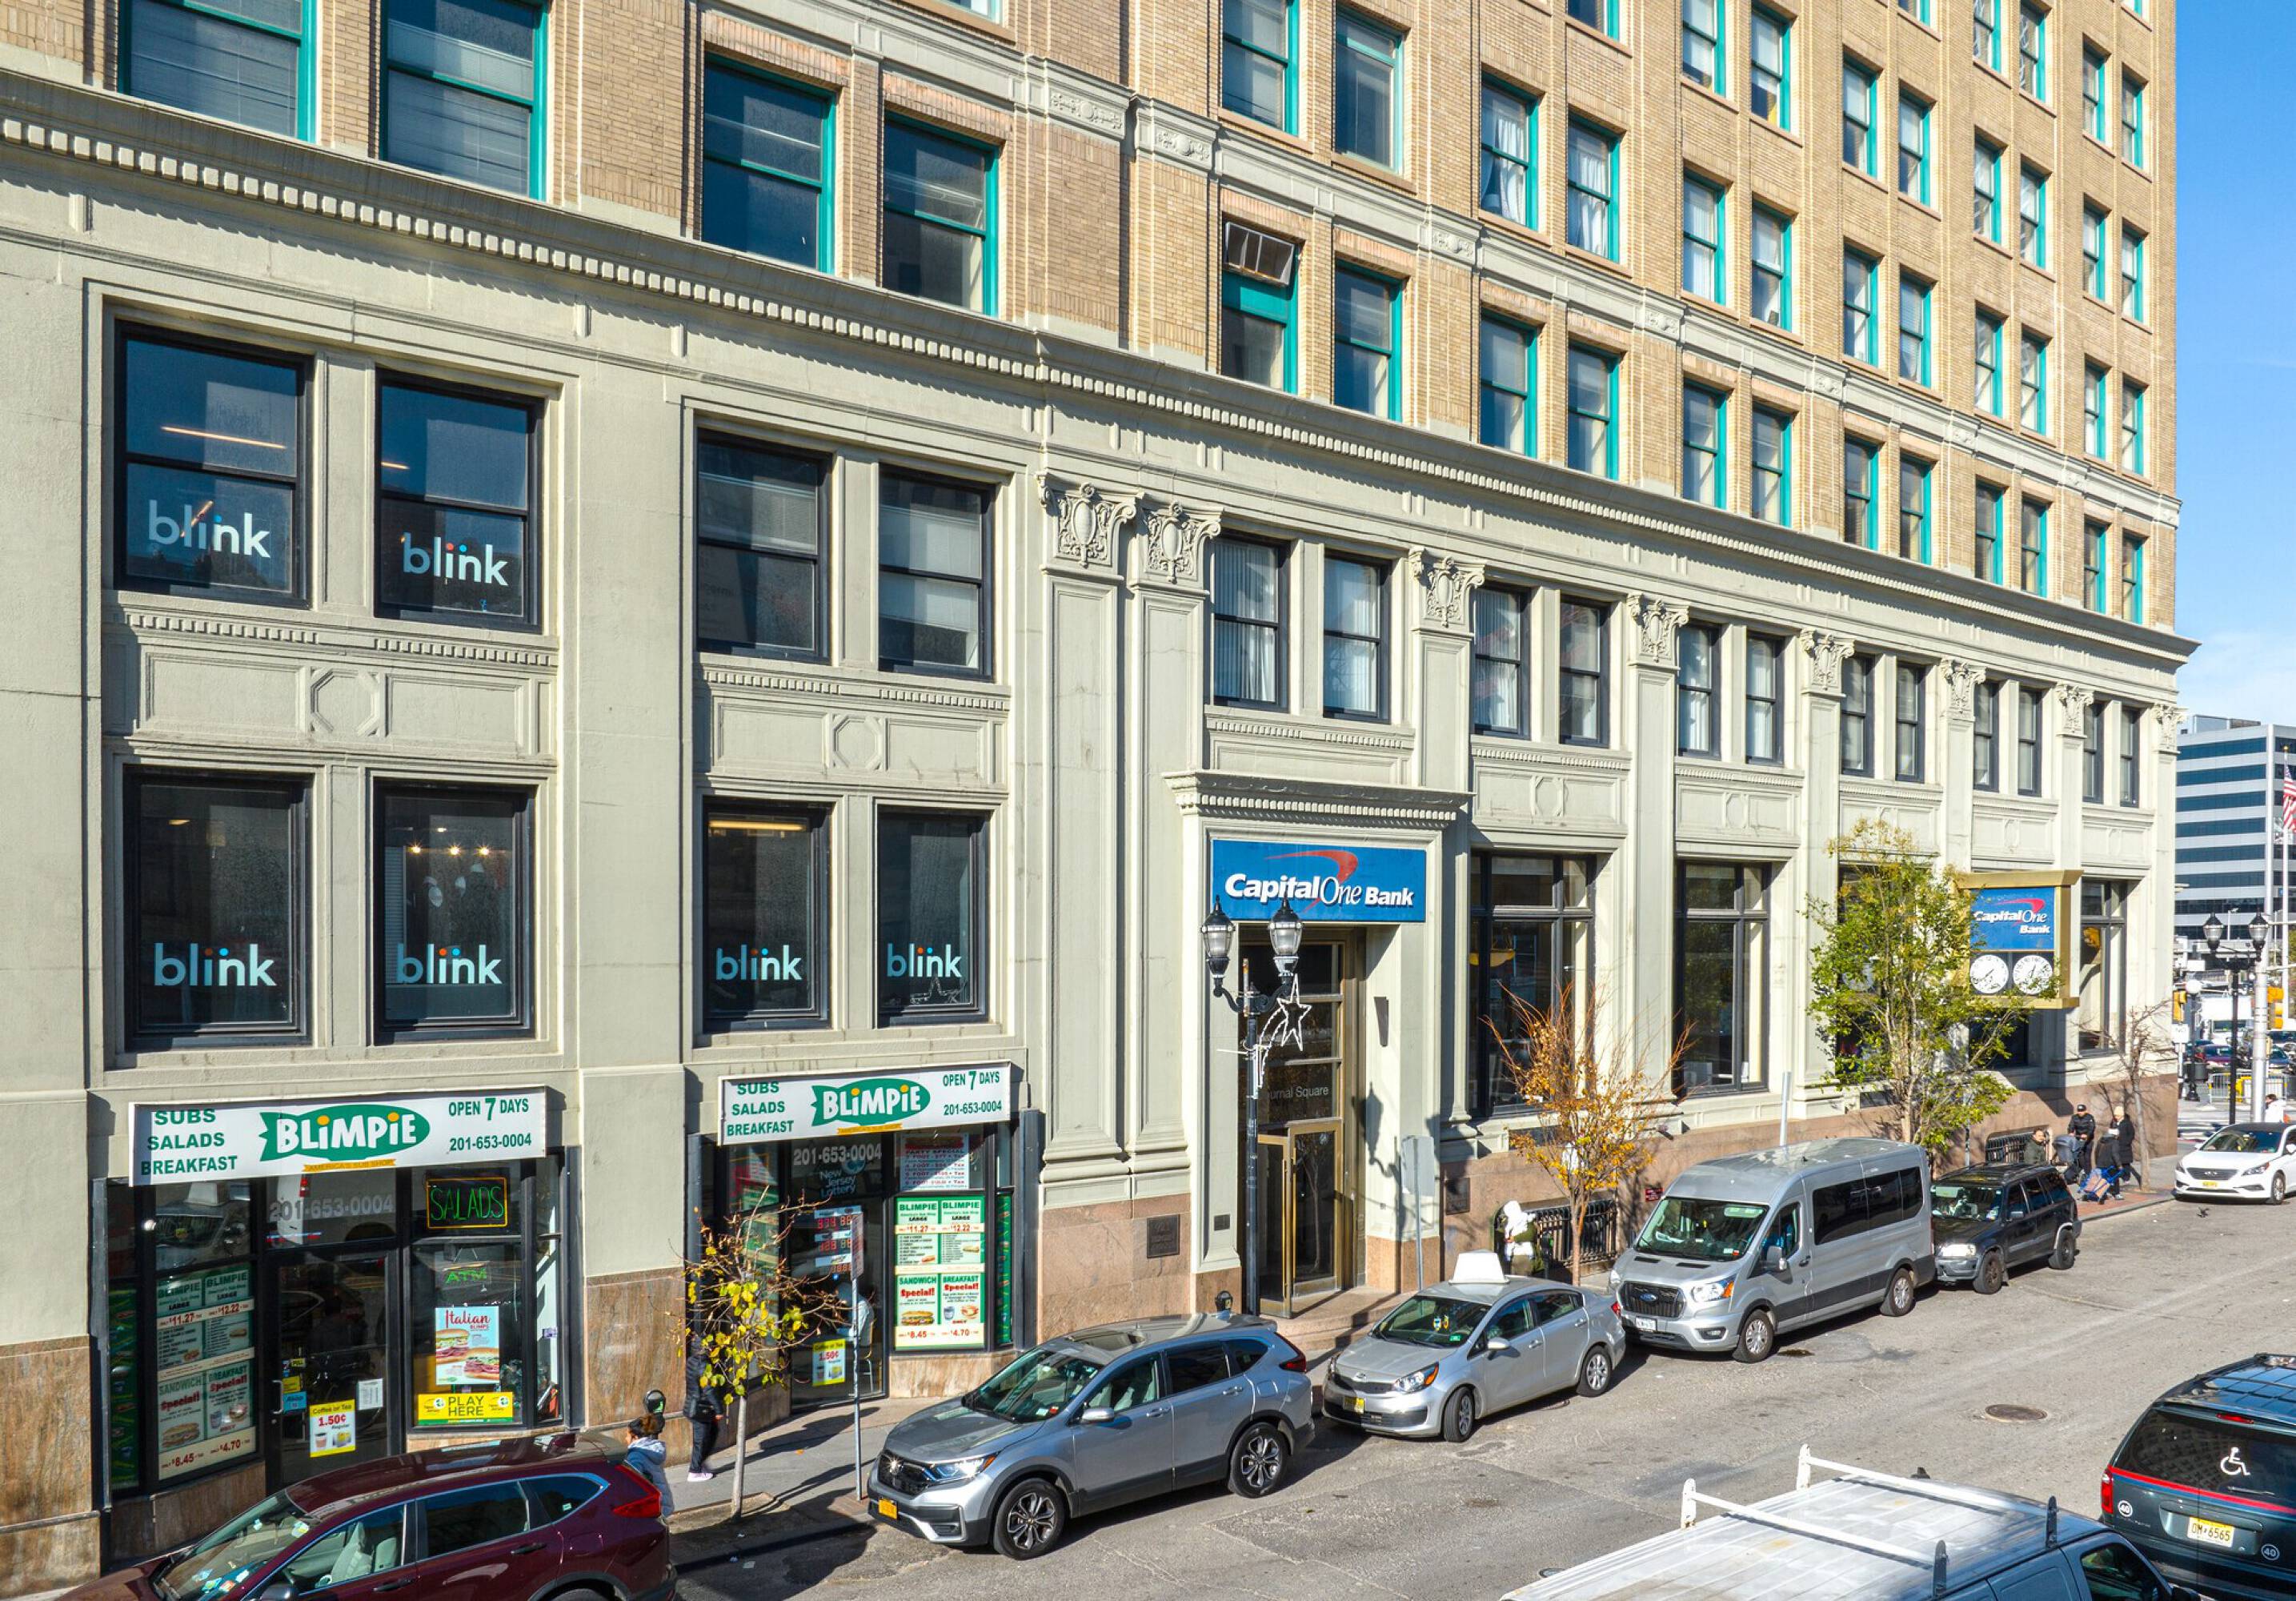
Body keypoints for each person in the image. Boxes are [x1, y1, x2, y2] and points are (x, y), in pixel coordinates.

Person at [684, 1331, 721, 1483]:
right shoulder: (704, 1365)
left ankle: (700, 1463)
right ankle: (695, 1471)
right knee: (702, 1440)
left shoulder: (692, 1360)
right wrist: (719, 1410)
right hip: (701, 1409)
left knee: (710, 1434)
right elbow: (709, 1390)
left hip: (693, 1406)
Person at [625, 1414, 671, 1503]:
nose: (626, 1439)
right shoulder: (652, 1449)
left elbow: (634, 1482)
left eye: (627, 1435)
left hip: (654, 1503)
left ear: (635, 1437)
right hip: (663, 1499)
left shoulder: (636, 1455)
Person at [2066, 1104, 2098, 1186]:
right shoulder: (2074, 1118)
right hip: (2078, 1140)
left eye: (2082, 1111)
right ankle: (2082, 1172)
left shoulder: (2090, 1118)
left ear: (2085, 1111)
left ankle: (2088, 1174)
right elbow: (2071, 1126)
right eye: (2079, 1111)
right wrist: (2070, 1132)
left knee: (2087, 1158)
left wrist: (2087, 1135)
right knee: (2079, 1157)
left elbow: (2092, 1128)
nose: (2080, 1112)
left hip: (2088, 1141)